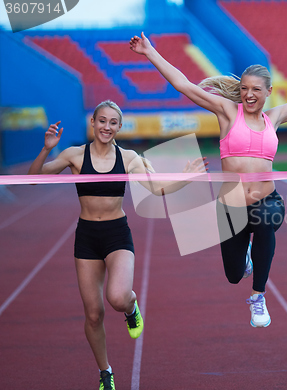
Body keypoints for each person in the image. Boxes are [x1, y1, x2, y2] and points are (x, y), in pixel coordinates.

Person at [130, 32, 287, 328]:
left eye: (256, 89)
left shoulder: (275, 117)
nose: (249, 94)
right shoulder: (228, 113)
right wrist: (150, 52)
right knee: (232, 274)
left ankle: (258, 296)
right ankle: (244, 262)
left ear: (268, 91)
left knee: (264, 218)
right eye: (244, 89)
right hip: (230, 207)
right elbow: (184, 85)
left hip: (268, 201)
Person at [28, 100, 207, 390]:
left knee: (118, 297)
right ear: (93, 123)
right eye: (102, 121)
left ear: (119, 127)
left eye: (113, 122)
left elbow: (157, 188)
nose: (106, 127)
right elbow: (32, 181)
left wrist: (184, 178)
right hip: (86, 236)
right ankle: (105, 372)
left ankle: (131, 307)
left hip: (116, 234)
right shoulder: (74, 155)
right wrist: (47, 148)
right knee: (93, 314)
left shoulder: (129, 158)